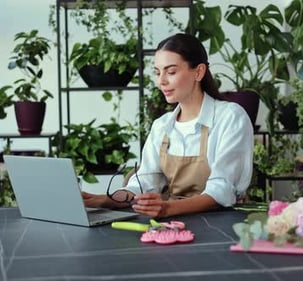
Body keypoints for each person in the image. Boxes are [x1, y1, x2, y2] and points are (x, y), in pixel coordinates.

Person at [82, 33, 254, 218]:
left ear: (198, 72)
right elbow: (144, 182)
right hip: (173, 222)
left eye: (171, 72)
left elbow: (222, 191)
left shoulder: (230, 117)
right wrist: (104, 200)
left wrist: (167, 208)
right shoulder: (162, 126)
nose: (161, 81)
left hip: (221, 224)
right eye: (157, 72)